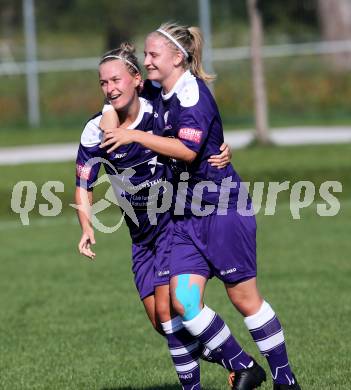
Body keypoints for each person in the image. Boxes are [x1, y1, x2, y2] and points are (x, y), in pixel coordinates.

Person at [101, 22, 301, 390]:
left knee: (244, 299)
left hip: (221, 210)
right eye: (145, 54)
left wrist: (134, 135)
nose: (146, 62)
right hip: (185, 217)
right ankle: (245, 367)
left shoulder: (192, 95)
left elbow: (188, 149)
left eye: (153, 55)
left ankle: (286, 381)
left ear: (178, 57)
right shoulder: (162, 93)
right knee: (183, 302)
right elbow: (113, 108)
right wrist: (118, 122)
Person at [75, 43, 233, 389]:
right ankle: (231, 358)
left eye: (116, 79)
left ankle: (238, 365)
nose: (110, 88)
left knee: (169, 312)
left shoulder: (158, 112)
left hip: (169, 226)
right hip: (140, 237)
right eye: (103, 83)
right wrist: (86, 225)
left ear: (136, 80)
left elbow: (194, 134)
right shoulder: (95, 130)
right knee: (162, 324)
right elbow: (83, 184)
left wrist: (219, 148)